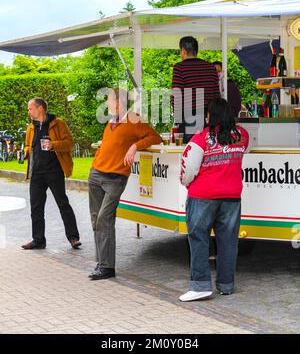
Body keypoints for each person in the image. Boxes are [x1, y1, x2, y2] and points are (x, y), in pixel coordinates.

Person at [88, 88, 162, 280]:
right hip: (96, 174)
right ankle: (101, 263)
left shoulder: (134, 120)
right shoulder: (110, 123)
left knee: (104, 218)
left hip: (115, 178)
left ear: (119, 102)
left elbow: (155, 137)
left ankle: (106, 267)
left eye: (110, 101)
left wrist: (134, 146)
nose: (108, 104)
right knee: (96, 219)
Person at [179, 98, 249, 301]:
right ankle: (226, 285)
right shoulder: (241, 135)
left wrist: (187, 183)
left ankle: (200, 286)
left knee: (199, 239)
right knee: (228, 242)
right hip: (232, 197)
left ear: (210, 116)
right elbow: (243, 152)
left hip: (203, 196)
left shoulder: (200, 138)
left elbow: (188, 169)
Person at [22, 98, 81, 250]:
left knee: (63, 204)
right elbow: (28, 145)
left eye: (30, 108)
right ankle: (38, 240)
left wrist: (53, 145)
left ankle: (73, 237)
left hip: (54, 171)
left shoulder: (58, 124)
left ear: (40, 108)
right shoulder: (31, 128)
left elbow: (69, 143)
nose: (28, 111)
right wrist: (26, 152)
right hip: (36, 173)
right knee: (36, 207)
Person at [172, 37, 220, 143]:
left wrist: (178, 118)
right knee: (209, 151)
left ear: (183, 51)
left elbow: (177, 95)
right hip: (210, 118)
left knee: (191, 152)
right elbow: (217, 95)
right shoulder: (211, 67)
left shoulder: (179, 67)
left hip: (190, 118)